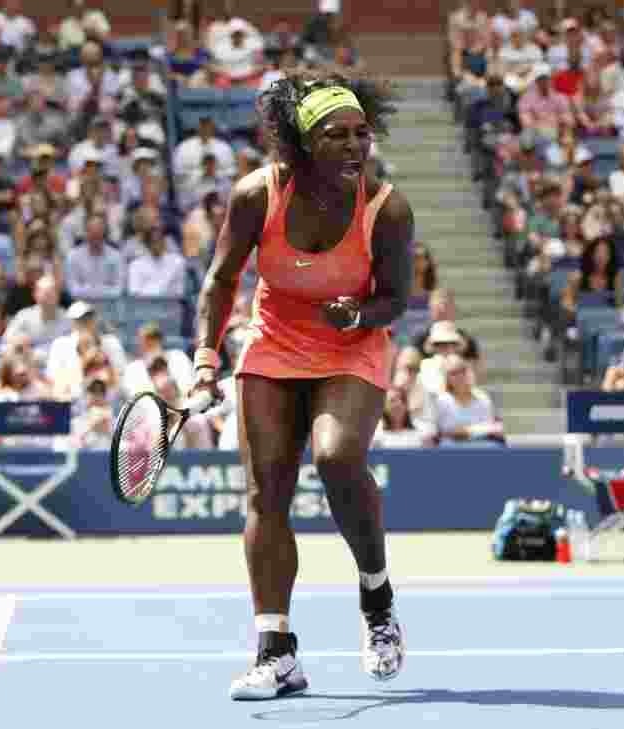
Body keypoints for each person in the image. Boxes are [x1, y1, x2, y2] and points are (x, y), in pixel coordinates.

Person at [188, 70, 414, 700]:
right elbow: (220, 279)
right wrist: (207, 356)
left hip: (352, 345)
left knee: (338, 458)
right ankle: (277, 653)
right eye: (335, 135)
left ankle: (378, 599)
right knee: (266, 494)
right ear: (300, 143)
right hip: (274, 343)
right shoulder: (257, 196)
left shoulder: (386, 207)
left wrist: (361, 314)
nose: (353, 146)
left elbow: (398, 297)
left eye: (360, 133)